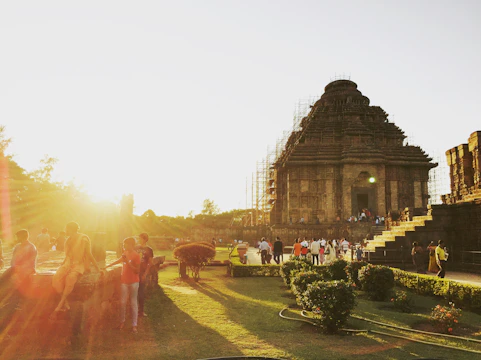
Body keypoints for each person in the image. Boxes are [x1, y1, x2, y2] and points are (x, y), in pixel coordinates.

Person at [50, 222, 102, 319]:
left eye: (67, 229)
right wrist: (62, 264)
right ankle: (65, 302)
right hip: (67, 264)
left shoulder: (83, 238)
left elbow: (89, 254)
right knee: (56, 279)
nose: (65, 231)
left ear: (72, 229)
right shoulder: (67, 240)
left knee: (70, 278)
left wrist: (97, 268)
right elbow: (67, 256)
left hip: (79, 264)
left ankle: (59, 305)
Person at [105, 237, 141, 333]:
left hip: (134, 282)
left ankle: (134, 325)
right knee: (122, 302)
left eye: (125, 244)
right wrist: (106, 266)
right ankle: (122, 322)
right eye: (123, 244)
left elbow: (137, 270)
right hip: (124, 281)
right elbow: (118, 261)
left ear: (131, 245)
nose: (124, 246)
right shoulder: (125, 253)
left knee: (133, 303)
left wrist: (128, 263)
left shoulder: (136, 255)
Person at [135, 233, 154, 318]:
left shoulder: (149, 249)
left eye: (140, 238)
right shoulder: (136, 248)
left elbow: (150, 263)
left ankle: (141, 311)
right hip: (134, 272)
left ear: (145, 239)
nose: (138, 239)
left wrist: (145, 274)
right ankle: (134, 311)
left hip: (143, 273)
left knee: (141, 293)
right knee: (134, 292)